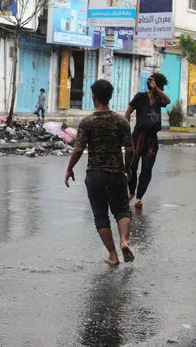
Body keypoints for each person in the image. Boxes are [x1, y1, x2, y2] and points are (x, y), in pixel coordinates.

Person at [65, 80, 135, 266]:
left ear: (94, 96)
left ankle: (113, 255)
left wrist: (69, 168)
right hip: (116, 174)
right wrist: (127, 169)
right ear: (110, 97)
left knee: (100, 215)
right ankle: (124, 241)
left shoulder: (87, 122)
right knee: (121, 210)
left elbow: (78, 149)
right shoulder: (121, 122)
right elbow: (129, 150)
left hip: (95, 175)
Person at [125, 73, 171, 209]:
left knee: (147, 169)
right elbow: (128, 113)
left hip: (152, 139)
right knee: (132, 167)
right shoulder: (140, 97)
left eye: (161, 87)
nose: (162, 89)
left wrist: (156, 89)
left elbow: (168, 101)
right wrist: (126, 133)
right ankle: (131, 192)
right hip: (138, 136)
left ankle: (139, 197)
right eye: (160, 85)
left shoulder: (159, 99)